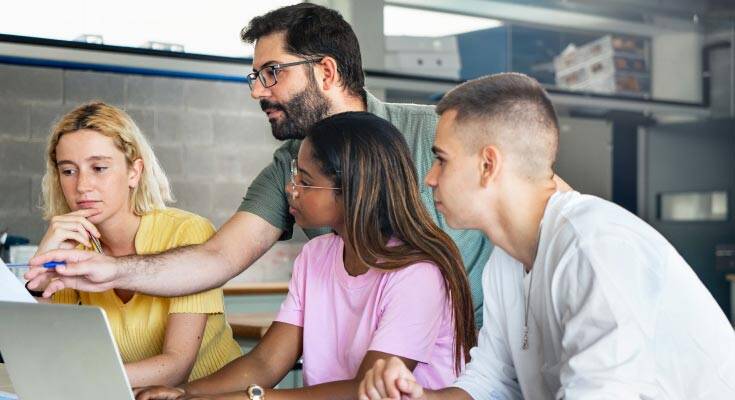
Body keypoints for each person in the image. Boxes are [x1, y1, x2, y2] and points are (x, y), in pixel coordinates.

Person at [26, 2, 492, 326]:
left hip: (474, 360)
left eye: (272, 73)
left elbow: (534, 189)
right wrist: (111, 269)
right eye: (254, 76)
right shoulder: (288, 167)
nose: (257, 91)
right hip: (371, 368)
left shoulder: (438, 133)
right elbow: (217, 257)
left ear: (326, 72)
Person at [357, 73, 735, 400]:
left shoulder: (594, 247)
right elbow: (493, 381)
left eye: (441, 159)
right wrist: (421, 396)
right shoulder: (507, 260)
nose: (430, 178)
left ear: (488, 165)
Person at [134, 112, 477, 400]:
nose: (290, 188)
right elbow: (265, 363)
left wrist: (256, 398)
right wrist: (185, 394)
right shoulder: (316, 255)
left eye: (305, 180)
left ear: (352, 190)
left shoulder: (417, 272)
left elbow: (368, 390)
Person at [33, 102, 242, 388]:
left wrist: (82, 378)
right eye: (68, 171)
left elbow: (175, 368)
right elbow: (48, 355)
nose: (82, 185)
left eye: (99, 168)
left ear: (134, 172)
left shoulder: (187, 232)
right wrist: (40, 277)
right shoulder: (74, 247)